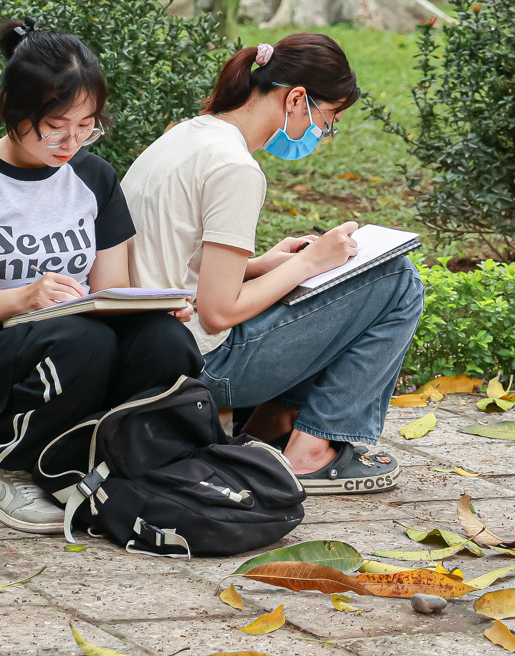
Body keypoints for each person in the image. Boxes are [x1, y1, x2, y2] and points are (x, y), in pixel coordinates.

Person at [0, 20, 202, 534]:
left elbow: (110, 289)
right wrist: (21, 298)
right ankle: (11, 469)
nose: (71, 141)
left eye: (86, 126)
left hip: (71, 341)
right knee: (81, 340)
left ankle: (127, 464)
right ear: (14, 109)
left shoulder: (94, 177)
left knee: (166, 341)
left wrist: (152, 307)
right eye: (55, 126)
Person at [122, 33, 424, 495]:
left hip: (149, 345)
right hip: (203, 365)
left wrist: (264, 264)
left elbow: (170, 262)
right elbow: (217, 313)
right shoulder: (235, 167)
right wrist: (307, 265)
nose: (324, 133)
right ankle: (310, 453)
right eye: (329, 119)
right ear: (297, 98)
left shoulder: (185, 134)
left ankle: (271, 426)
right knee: (396, 279)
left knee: (336, 280)